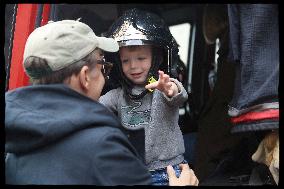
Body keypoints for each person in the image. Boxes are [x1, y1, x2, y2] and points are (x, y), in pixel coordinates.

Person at [5, 19, 198, 186]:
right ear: (85, 76)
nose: (106, 76)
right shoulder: (107, 149)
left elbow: (172, 92)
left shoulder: (13, 148)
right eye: (103, 66)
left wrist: (171, 88)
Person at [99, 8, 192, 185]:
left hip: (169, 171)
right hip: (134, 171)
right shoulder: (118, 95)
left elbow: (178, 95)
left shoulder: (161, 88)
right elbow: (94, 106)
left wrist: (169, 88)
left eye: (141, 58)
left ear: (155, 58)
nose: (133, 66)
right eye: (126, 61)